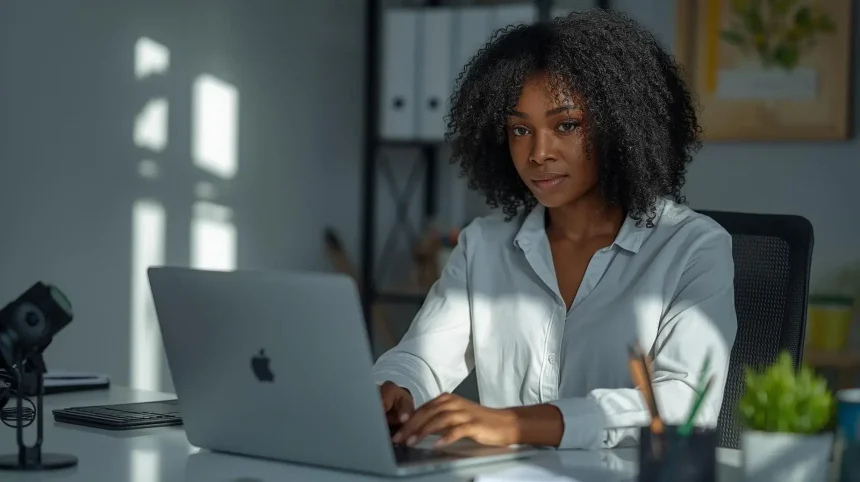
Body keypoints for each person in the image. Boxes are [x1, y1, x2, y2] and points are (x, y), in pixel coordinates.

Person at [372, 9, 737, 451]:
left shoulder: (694, 248)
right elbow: (422, 357)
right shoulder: (484, 245)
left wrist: (518, 425)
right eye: (520, 130)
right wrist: (397, 387)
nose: (538, 152)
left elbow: (684, 402)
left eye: (566, 125)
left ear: (620, 126)